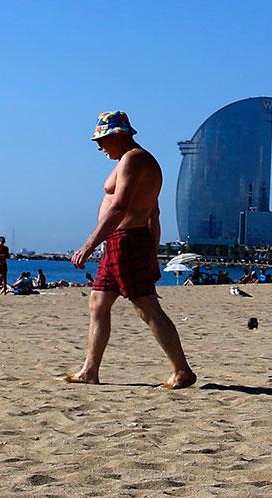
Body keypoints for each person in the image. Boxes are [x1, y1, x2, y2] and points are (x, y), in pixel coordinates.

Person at [65, 111, 196, 389]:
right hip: (119, 242)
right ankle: (90, 370)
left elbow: (121, 207)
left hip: (127, 241)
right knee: (98, 304)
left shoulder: (135, 159)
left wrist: (89, 245)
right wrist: (152, 256)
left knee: (146, 307)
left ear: (118, 135)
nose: (100, 148)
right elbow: (155, 214)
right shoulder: (130, 160)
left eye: (102, 141)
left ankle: (182, 370)